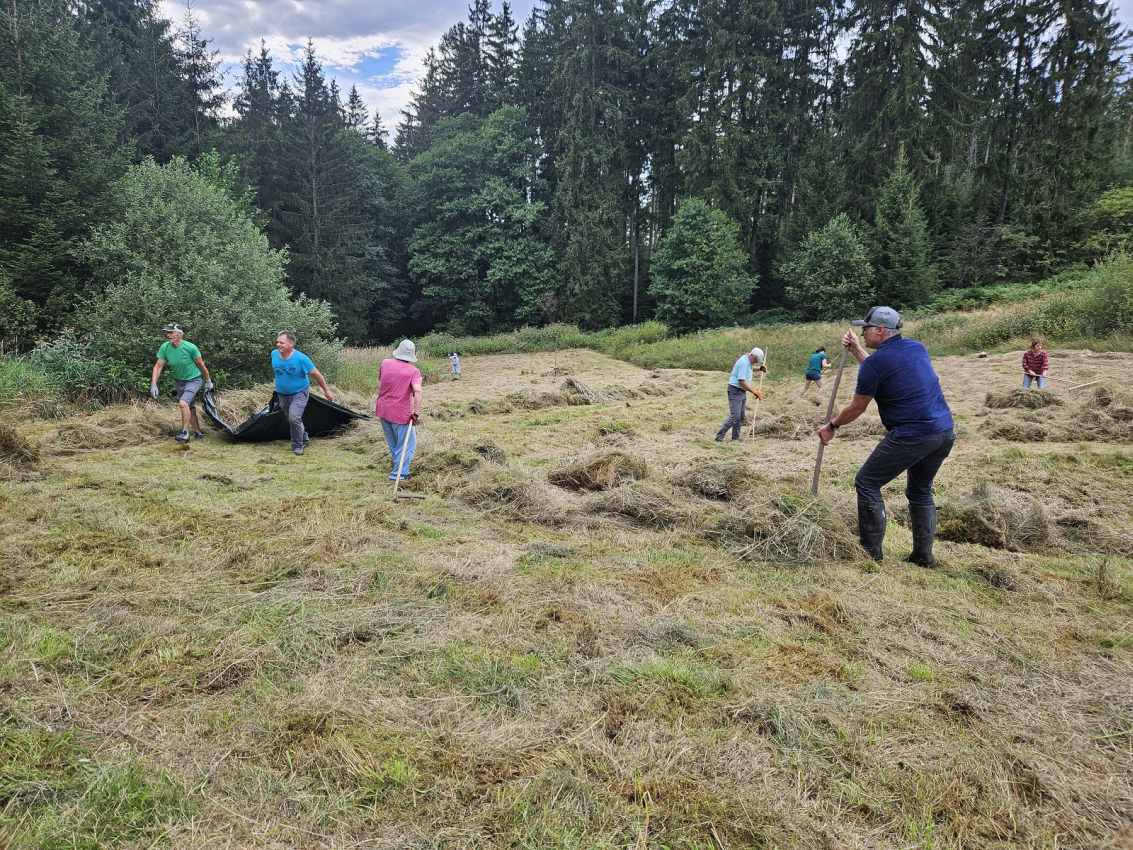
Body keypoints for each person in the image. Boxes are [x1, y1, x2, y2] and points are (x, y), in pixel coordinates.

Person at [816, 306, 954, 566]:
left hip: (912, 433)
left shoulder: (877, 364)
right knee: (920, 491)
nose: (863, 332)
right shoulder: (916, 348)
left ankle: (870, 554)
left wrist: (831, 426)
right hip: (943, 431)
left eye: (866, 329)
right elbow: (883, 367)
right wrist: (857, 349)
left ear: (880, 330)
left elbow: (858, 407)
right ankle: (923, 557)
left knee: (866, 482)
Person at [271, 331, 334, 456]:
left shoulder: (301, 359)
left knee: (294, 418)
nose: (278, 344)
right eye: (277, 342)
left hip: (299, 392)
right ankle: (304, 436)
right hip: (282, 393)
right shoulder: (274, 354)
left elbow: (317, 375)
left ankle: (298, 445)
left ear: (291, 344)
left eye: (281, 342)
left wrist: (326, 391)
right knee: (291, 419)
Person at [150, 323, 213, 443]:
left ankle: (185, 433)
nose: (168, 335)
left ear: (179, 334)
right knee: (190, 406)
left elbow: (201, 365)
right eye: (167, 333)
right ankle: (198, 432)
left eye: (171, 332)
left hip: (194, 380)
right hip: (179, 381)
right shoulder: (165, 347)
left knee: (183, 403)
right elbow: (158, 366)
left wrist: (208, 380)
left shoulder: (191, 347)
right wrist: (154, 383)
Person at [376, 339, 423, 481]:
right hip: (400, 413)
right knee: (407, 444)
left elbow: (381, 380)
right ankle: (399, 474)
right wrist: (416, 412)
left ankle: (398, 468)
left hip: (383, 409)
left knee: (394, 443)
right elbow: (418, 392)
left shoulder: (385, 363)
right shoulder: (413, 371)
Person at [715, 347, 767, 441]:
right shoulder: (744, 362)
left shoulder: (748, 360)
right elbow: (741, 382)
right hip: (735, 391)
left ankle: (735, 438)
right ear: (753, 356)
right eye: (755, 360)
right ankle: (719, 437)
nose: (755, 362)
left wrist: (759, 369)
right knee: (735, 416)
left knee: (741, 416)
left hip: (741, 391)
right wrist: (755, 392)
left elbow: (748, 369)